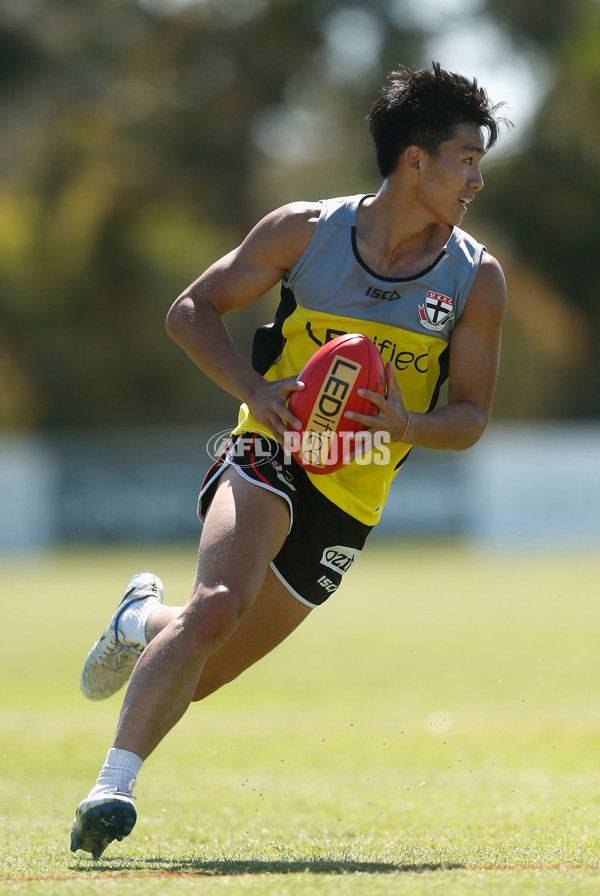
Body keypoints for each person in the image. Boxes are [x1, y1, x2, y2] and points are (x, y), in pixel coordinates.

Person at [70, 62, 509, 858]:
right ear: (415, 159)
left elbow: (472, 416)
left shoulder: (476, 277)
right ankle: (112, 788)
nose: (476, 178)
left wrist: (408, 423)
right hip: (267, 448)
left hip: (355, 495)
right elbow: (191, 310)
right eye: (466, 159)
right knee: (213, 607)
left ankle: (137, 617)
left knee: (198, 668)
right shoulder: (304, 232)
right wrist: (253, 389)